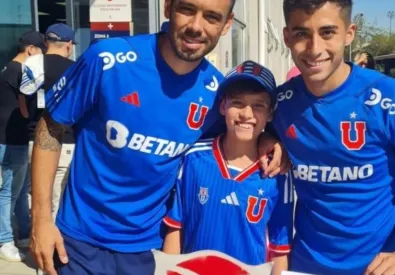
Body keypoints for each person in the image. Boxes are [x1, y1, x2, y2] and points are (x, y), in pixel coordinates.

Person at [29, 0, 287, 274]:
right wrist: (41, 220)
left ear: (226, 25)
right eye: (187, 10)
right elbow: (51, 127)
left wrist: (268, 138)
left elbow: (239, 131)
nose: (196, 27)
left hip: (149, 250)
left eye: (212, 17)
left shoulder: (215, 92)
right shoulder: (107, 58)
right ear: (167, 7)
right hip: (80, 243)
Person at [274, 0, 395, 274]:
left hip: (377, 267)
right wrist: (269, 140)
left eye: (327, 32)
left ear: (349, 33)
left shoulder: (394, 101)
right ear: (286, 36)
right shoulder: (279, 104)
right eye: (301, 33)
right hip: (304, 266)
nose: (314, 48)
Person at [162, 60, 294, 275]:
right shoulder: (194, 158)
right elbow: (175, 228)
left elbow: (279, 248)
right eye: (238, 103)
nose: (246, 114)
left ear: (270, 114)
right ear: (223, 106)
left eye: (258, 105)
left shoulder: (277, 171)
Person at [20, 23, 76, 221]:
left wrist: (29, 117)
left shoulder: (35, 62)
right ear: (69, 45)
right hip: (67, 140)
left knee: (36, 193)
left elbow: (24, 95)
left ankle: (39, 238)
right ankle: (58, 244)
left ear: (46, 43)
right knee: (60, 194)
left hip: (36, 137)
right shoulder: (76, 68)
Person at [0, 31, 45, 262]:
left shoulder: (7, 68)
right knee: (9, 191)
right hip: (12, 139)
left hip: (12, 138)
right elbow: (24, 108)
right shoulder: (20, 72)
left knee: (20, 190)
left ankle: (25, 234)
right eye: (40, 52)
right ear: (30, 50)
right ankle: (5, 239)